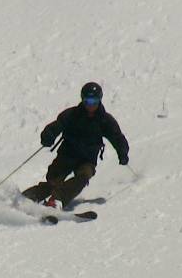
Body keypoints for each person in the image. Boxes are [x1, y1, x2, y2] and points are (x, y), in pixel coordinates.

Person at [22, 82, 129, 210]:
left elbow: (117, 137)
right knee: (53, 181)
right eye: (87, 101)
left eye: (94, 101)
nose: (90, 105)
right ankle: (28, 197)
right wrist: (48, 136)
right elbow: (56, 126)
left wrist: (122, 152)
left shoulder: (104, 120)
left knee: (83, 177)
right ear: (82, 99)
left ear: (99, 100)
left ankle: (57, 200)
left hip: (87, 159)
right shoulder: (72, 115)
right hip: (67, 155)